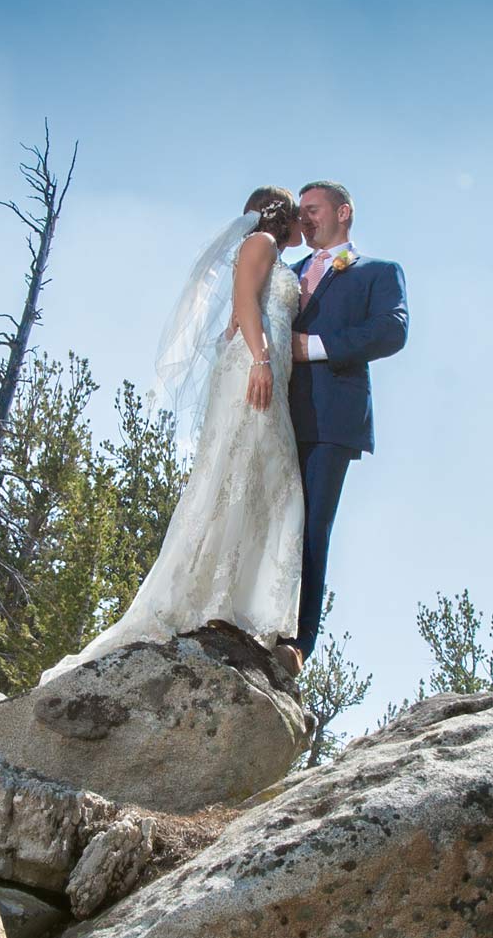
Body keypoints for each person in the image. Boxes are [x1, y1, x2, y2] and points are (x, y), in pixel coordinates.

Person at [37, 186, 308, 686]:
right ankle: (221, 600)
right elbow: (247, 303)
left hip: (258, 363)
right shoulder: (264, 244)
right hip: (255, 367)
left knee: (260, 480)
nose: (300, 223)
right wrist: (263, 360)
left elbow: (238, 312)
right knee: (257, 479)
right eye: (297, 214)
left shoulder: (267, 251)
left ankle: (238, 601)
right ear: (282, 215)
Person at [280, 180, 408, 675]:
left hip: (332, 417)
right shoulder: (282, 274)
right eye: (300, 212)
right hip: (273, 414)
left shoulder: (377, 272)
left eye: (312, 209)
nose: (304, 218)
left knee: (312, 524)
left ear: (344, 212)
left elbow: (391, 330)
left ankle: (298, 640)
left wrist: (309, 347)